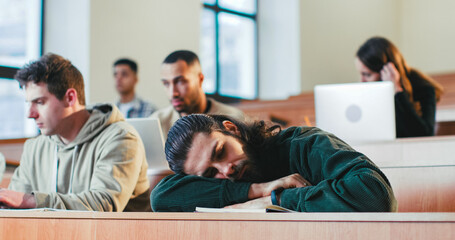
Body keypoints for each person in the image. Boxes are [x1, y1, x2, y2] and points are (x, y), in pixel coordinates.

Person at [150, 114, 397, 212]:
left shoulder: (304, 145)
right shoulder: (225, 184)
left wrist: (275, 200)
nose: (226, 170)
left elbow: (376, 195)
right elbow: (161, 197)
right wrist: (257, 190)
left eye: (221, 151)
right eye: (210, 173)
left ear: (232, 129)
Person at [0, 53, 151, 211]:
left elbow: (102, 207)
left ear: (70, 98)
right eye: (29, 103)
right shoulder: (35, 147)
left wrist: (32, 200)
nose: (30, 114)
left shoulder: (121, 139)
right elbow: (13, 205)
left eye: (39, 102)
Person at [355, 36, 444, 138]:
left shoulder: (424, 89)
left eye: (367, 74)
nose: (362, 81)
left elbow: (424, 134)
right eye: (360, 74)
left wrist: (397, 91)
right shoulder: (369, 94)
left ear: (387, 71)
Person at [150, 50, 245, 138]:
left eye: (180, 82)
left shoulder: (235, 119)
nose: (173, 93)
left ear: (200, 79)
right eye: (166, 83)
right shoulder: (156, 122)